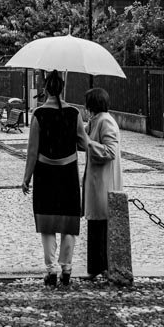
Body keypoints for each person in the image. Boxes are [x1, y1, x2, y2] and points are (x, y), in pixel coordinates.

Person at [21, 70, 82, 287]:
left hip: (46, 174)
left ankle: (51, 269)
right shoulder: (74, 113)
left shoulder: (38, 115)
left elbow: (32, 151)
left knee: (47, 223)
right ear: (63, 88)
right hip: (68, 174)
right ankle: (66, 267)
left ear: (46, 89)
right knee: (68, 222)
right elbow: (82, 144)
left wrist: (26, 178)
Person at [77, 87, 123, 280]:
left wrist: (88, 141)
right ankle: (95, 267)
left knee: (101, 226)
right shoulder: (96, 121)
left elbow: (110, 151)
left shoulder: (105, 121)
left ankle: (101, 267)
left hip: (104, 183)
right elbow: (83, 142)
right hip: (96, 181)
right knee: (95, 224)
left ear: (91, 105)